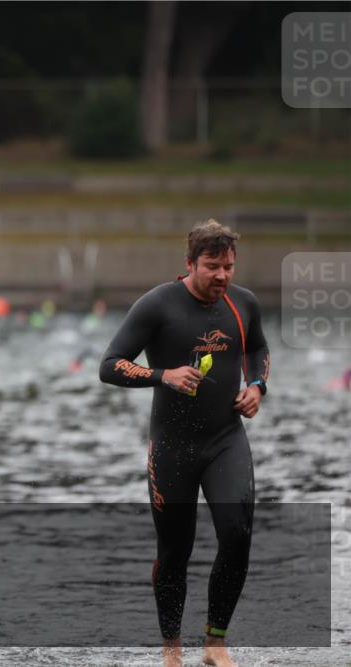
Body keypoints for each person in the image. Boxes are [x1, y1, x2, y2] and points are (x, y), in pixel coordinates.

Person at [99, 220, 270, 667]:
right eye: (212, 267)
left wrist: (256, 386)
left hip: (226, 441)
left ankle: (215, 643)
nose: (222, 276)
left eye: (229, 267)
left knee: (237, 535)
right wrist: (164, 375)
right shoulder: (158, 305)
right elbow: (110, 365)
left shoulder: (243, 303)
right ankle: (172, 649)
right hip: (172, 448)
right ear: (189, 264)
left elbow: (258, 349)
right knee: (176, 550)